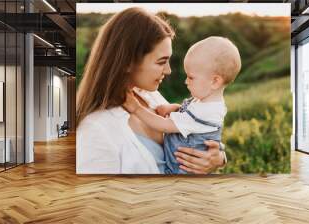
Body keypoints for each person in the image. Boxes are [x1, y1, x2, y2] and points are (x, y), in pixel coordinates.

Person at [76, 7, 227, 174]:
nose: (168, 70)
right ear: (127, 61)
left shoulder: (151, 96)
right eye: (161, 62)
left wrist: (218, 158)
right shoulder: (95, 131)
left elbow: (195, 133)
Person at [124, 36, 241, 174]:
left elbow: (166, 126)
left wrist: (137, 108)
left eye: (191, 77)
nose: (186, 81)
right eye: (161, 62)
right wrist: (176, 108)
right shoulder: (206, 103)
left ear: (215, 82)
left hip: (179, 171)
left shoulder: (204, 113)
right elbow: (190, 117)